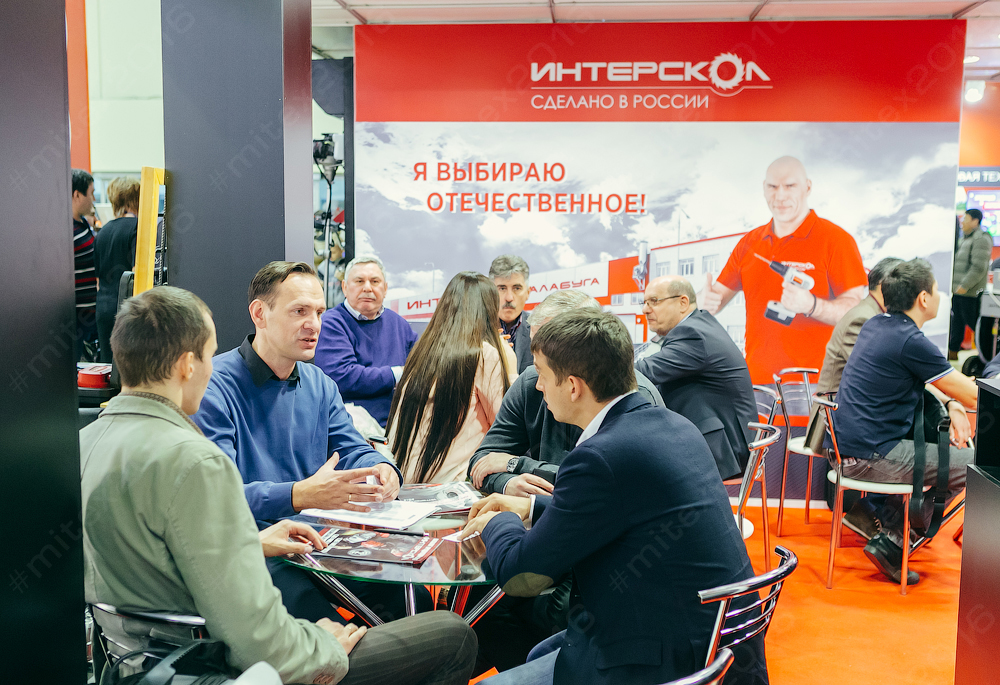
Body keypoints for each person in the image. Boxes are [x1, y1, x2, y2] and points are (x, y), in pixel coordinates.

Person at [81, 286, 478, 685]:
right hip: (216, 667)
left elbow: (153, 558)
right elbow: (257, 638)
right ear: (187, 365)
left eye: (318, 312)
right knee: (453, 635)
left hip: (134, 665)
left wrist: (251, 543)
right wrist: (323, 646)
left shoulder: (82, 445)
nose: (313, 324)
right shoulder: (195, 461)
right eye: (208, 356)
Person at [464, 309, 767, 685]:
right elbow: (616, 513)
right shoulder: (673, 425)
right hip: (714, 642)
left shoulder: (600, 456)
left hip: (663, 658)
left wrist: (499, 521)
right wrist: (531, 506)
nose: (538, 386)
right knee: (540, 651)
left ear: (572, 386)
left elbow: (520, 576)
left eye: (541, 374)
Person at [193, 261, 430, 622]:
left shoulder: (320, 384)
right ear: (259, 314)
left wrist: (383, 469)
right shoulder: (214, 386)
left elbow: (352, 449)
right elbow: (218, 499)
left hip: (321, 542)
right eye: (299, 311)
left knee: (413, 603)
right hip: (256, 546)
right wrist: (299, 494)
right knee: (325, 625)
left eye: (319, 312)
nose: (314, 324)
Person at [465, 290, 663, 674]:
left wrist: (511, 487)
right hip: (654, 621)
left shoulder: (628, 419)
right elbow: (484, 460)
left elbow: (521, 572)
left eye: (545, 360)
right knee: (475, 613)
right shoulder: (535, 385)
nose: (536, 377)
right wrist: (514, 489)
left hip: (621, 630)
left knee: (492, 606)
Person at [831, 258, 978, 585]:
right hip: (870, 457)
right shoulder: (911, 341)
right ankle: (895, 541)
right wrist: (959, 399)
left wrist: (953, 403)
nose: (940, 296)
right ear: (924, 298)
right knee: (976, 464)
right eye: (937, 290)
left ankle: (892, 534)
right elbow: (974, 397)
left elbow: (942, 387)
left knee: (950, 461)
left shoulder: (877, 325)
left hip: (848, 450)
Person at [469, 290, 664, 498]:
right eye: (535, 346)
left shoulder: (632, 398)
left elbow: (605, 484)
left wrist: (518, 465)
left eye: (550, 350)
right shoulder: (531, 382)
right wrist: (508, 483)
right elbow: (483, 461)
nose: (538, 360)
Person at [702, 156, 867, 384]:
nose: (780, 196)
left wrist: (812, 305)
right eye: (773, 186)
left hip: (816, 386)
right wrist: (707, 300)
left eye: (790, 186)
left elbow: (856, 313)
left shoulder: (836, 240)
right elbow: (716, 296)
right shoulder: (749, 244)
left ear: (807, 187)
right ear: (764, 188)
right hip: (758, 384)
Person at [387, 272, 518, 484]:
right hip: (455, 486)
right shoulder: (484, 354)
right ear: (489, 309)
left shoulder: (422, 351)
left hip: (406, 480)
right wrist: (509, 364)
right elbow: (508, 424)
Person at [635, 276, 756, 481]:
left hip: (724, 449)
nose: (645, 309)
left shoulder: (693, 334)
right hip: (713, 433)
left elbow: (645, 371)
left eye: (654, 301)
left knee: (633, 463)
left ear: (683, 302)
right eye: (644, 302)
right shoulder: (697, 324)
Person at [314, 255, 418, 427]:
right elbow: (344, 377)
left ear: (385, 288)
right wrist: (398, 374)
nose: (367, 288)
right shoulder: (331, 323)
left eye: (375, 281)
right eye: (359, 281)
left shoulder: (398, 323)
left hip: (401, 424)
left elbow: (421, 364)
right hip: (354, 428)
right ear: (345, 287)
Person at [93, 176, 141, 362]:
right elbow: (137, 273)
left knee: (108, 366)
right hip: (128, 309)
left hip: (103, 308)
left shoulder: (102, 231)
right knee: (131, 368)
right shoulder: (138, 228)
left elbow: (98, 279)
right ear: (136, 199)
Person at [949, 208, 993, 361]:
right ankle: (952, 352)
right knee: (956, 324)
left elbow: (978, 267)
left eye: (966, 219)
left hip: (971, 293)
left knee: (976, 326)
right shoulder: (964, 239)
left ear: (975, 221)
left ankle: (986, 356)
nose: (962, 222)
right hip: (958, 292)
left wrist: (964, 285)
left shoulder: (981, 239)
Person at [489, 254, 533, 374]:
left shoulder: (540, 331)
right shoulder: (473, 329)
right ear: (490, 292)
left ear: (528, 293)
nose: (509, 298)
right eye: (502, 288)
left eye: (517, 288)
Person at [72, 168, 98, 361]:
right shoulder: (66, 230)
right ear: (77, 195)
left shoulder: (83, 224)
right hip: (76, 318)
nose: (94, 199)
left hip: (90, 315)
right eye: (91, 193)